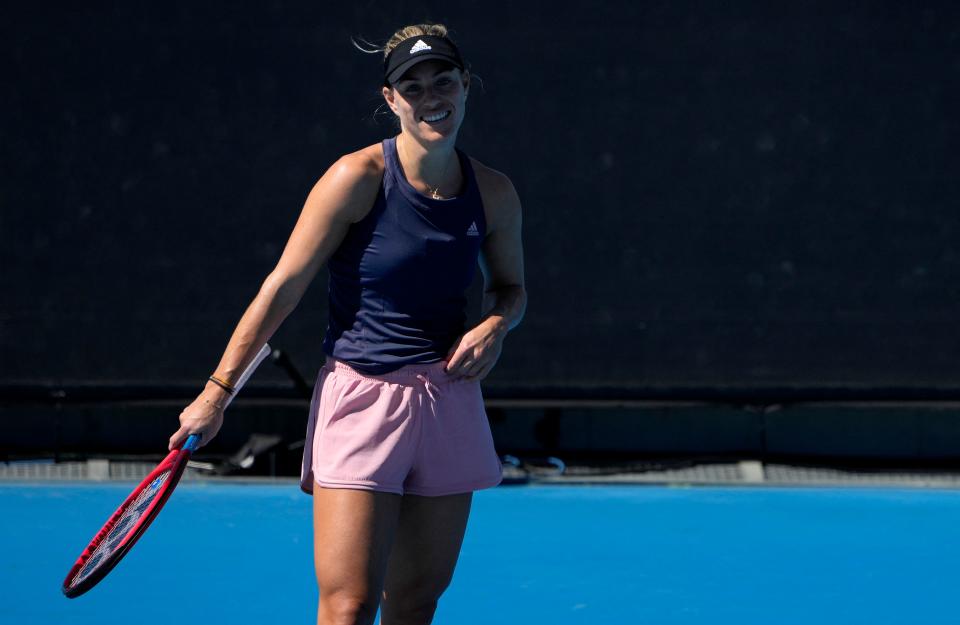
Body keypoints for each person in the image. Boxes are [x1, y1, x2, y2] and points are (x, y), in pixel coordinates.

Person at [167, 23, 526, 625]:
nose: (431, 97)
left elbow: (510, 290)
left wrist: (496, 324)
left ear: (465, 85)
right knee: (348, 605)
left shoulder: (495, 193)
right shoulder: (354, 179)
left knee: (415, 603)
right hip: (362, 398)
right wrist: (216, 393)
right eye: (412, 87)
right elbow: (281, 287)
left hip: (450, 403)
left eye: (444, 81)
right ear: (391, 100)